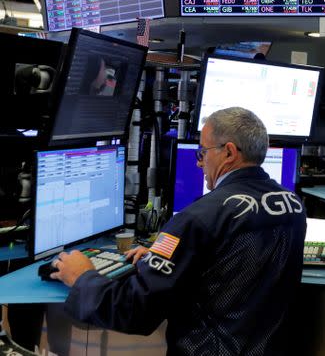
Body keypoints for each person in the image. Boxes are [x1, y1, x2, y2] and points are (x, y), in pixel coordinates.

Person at [49, 107, 307, 355]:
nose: (199, 163)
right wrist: (169, 255)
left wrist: (82, 277)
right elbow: (236, 267)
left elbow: (136, 311)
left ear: (228, 152)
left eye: (203, 152)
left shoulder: (199, 217)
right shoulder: (293, 206)